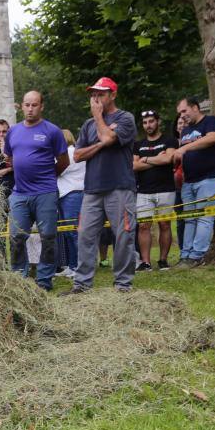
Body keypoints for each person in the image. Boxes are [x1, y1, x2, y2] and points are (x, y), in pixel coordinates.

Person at [61, 77, 137, 295]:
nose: (95, 98)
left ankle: (123, 285)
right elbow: (77, 154)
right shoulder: (87, 125)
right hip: (92, 189)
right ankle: (82, 284)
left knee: (123, 235)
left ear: (113, 95)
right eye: (93, 94)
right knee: (84, 235)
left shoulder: (125, 118)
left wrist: (99, 121)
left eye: (100, 94)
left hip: (120, 186)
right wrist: (102, 143)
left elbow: (109, 136)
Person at [4, 91, 69, 291]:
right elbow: (9, 158)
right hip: (19, 193)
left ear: (41, 106)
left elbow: (64, 162)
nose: (30, 109)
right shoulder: (13, 131)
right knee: (16, 237)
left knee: (48, 237)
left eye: (34, 105)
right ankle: (19, 279)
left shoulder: (52, 131)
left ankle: (44, 280)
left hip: (45, 192)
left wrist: (47, 177)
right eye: (27, 105)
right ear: (21, 106)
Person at [173, 97, 215, 268]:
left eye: (184, 111)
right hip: (189, 181)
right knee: (189, 219)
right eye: (179, 113)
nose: (182, 116)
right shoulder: (185, 131)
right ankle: (185, 256)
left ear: (196, 107)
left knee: (205, 218)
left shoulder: (211, 121)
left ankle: (197, 256)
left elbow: (212, 138)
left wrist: (184, 148)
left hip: (212, 177)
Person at [133, 110, 178, 271]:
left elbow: (168, 159)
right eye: (145, 123)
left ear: (158, 122)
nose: (148, 125)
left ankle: (163, 260)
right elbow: (134, 165)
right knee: (144, 226)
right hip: (144, 191)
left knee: (165, 224)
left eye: (151, 121)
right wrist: (156, 159)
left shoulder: (169, 140)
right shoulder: (138, 145)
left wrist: (145, 159)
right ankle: (146, 262)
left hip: (166, 188)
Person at [55, 129, 85, 278]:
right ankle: (72, 265)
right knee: (68, 232)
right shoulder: (72, 152)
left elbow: (56, 170)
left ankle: (79, 267)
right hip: (67, 194)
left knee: (73, 233)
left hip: (72, 194)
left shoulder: (70, 153)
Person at [172, 115, 187, 250]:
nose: (182, 125)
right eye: (179, 123)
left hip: (192, 183)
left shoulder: (195, 141)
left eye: (184, 122)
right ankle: (183, 250)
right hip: (177, 187)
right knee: (180, 220)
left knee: (195, 218)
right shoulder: (172, 143)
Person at [0, 119, 14, 200]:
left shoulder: (15, 149)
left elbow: (19, 167)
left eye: (4, 131)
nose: (1, 134)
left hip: (15, 193)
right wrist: (9, 169)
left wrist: (5, 152)